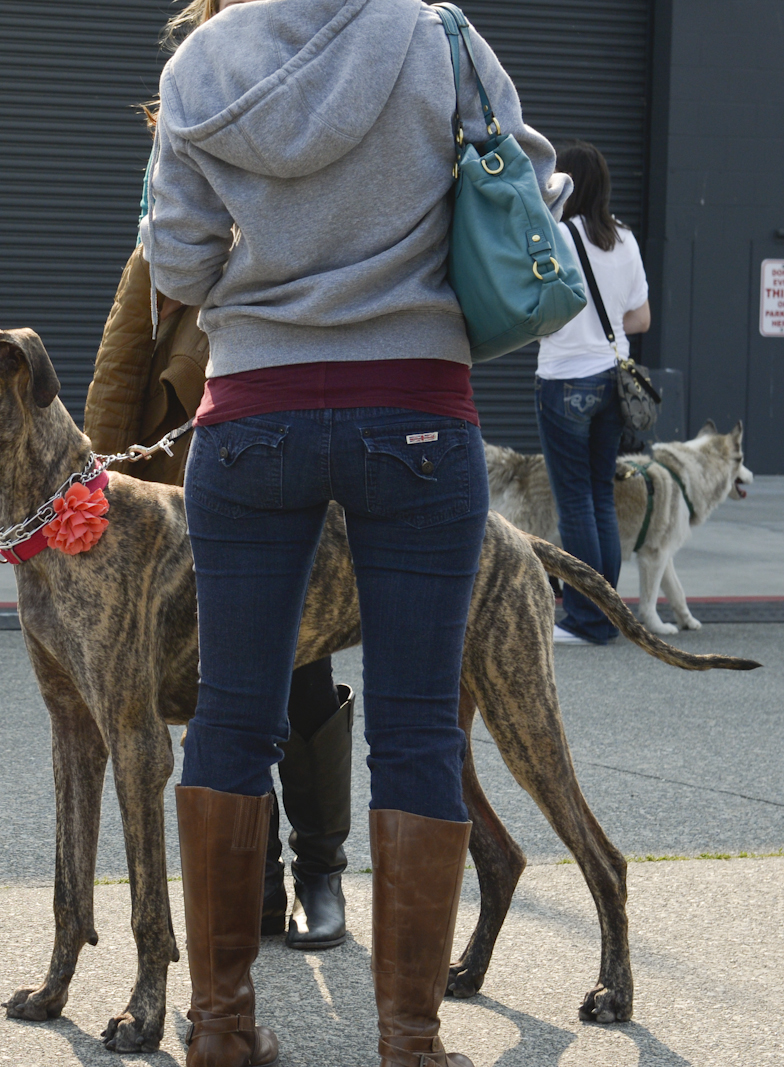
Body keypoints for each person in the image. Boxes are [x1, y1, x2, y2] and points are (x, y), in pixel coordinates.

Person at [140, 1, 570, 1065]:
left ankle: (223, 1026)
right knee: (418, 730)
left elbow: (177, 265)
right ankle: (409, 1042)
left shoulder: (203, 59)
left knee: (231, 723)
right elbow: (530, 187)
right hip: (418, 405)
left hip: (250, 418)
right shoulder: (441, 40)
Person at [85, 169, 355, 956]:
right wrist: (104, 491)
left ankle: (321, 873)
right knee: (221, 687)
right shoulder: (168, 215)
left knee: (304, 668)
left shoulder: (304, 199)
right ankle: (256, 878)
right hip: (185, 501)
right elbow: (119, 361)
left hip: (298, 470)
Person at [538, 141, 651, 646]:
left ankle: (584, 619)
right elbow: (641, 318)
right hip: (612, 378)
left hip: (565, 377)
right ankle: (607, 615)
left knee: (575, 502)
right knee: (601, 495)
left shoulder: (557, 235)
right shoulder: (624, 238)